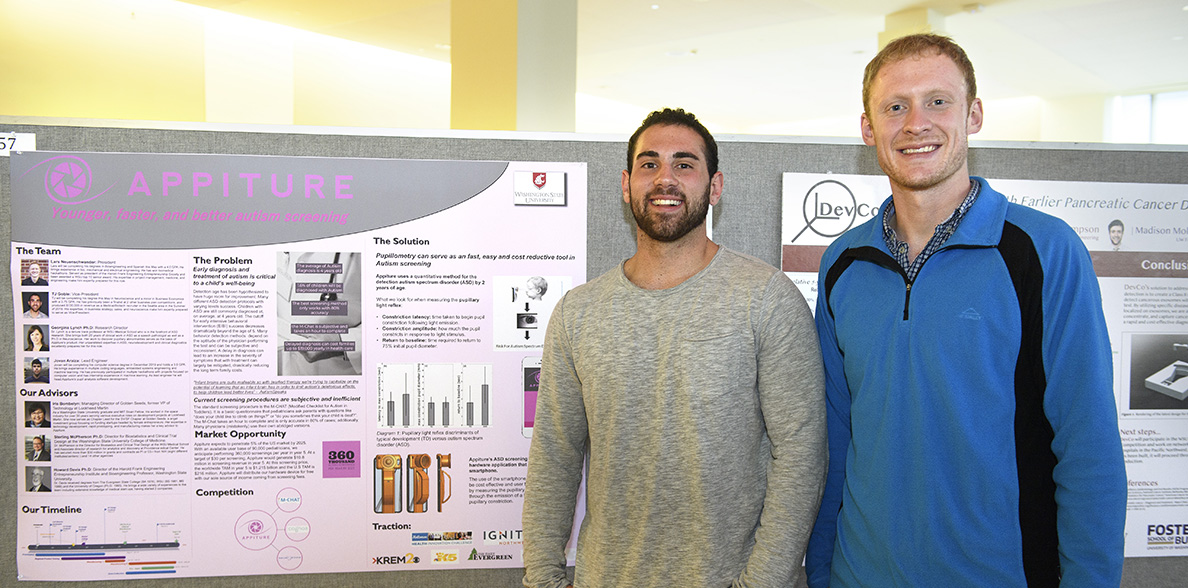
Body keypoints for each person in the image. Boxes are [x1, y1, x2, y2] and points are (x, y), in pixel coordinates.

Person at [805, 34, 1126, 588]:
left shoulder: (1043, 251)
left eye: (937, 101)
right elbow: (832, 442)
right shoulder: (844, 263)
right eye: (895, 106)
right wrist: (820, 571)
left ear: (973, 114)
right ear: (868, 128)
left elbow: (1088, 446)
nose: (915, 123)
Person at [522, 108, 827, 588]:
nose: (665, 178)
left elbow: (802, 456)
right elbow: (554, 457)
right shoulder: (577, 313)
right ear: (626, 185)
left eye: (684, 164)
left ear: (715, 186)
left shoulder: (767, 298)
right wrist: (541, 579)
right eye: (650, 164)